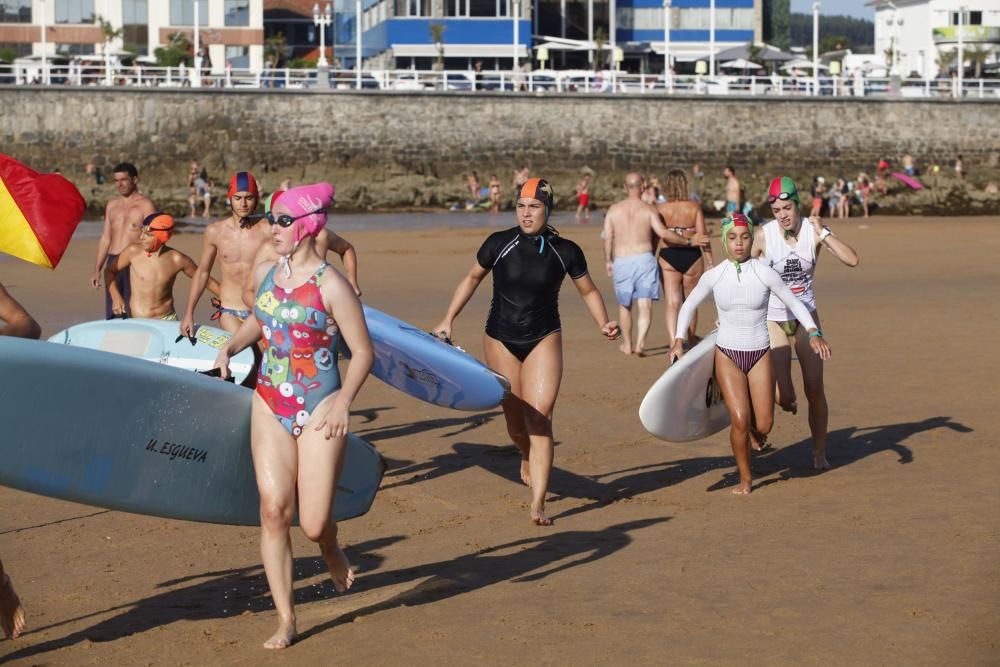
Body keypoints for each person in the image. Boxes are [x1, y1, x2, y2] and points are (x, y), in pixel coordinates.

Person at [213, 183, 372, 650]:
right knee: (273, 509)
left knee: (315, 523)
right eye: (270, 218)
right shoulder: (271, 273)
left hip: (321, 404)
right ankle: (287, 619)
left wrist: (343, 403)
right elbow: (263, 319)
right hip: (270, 401)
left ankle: (328, 546)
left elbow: (363, 352)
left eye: (281, 220)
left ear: (306, 226)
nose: (272, 227)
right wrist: (231, 345)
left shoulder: (331, 285)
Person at [434, 178, 620, 525]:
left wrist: (604, 322)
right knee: (516, 425)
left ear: (547, 209)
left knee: (539, 417)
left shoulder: (565, 251)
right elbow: (472, 278)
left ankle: (538, 504)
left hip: (543, 338)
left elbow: (589, 291)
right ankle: (524, 453)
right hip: (500, 338)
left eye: (533, 207)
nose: (526, 213)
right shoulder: (499, 243)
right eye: (521, 206)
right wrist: (447, 319)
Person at [671, 214, 831, 495]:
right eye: (732, 238)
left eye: (744, 237)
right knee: (741, 419)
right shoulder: (715, 275)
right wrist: (678, 339)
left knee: (764, 423)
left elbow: (795, 301)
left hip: (759, 354)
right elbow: (688, 305)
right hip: (728, 354)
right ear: (724, 241)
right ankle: (745, 478)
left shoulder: (764, 273)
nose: (739, 243)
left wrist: (813, 331)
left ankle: (755, 437)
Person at [753, 177, 859, 470]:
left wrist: (823, 232)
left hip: (806, 317)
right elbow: (743, 274)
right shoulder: (763, 236)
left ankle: (819, 453)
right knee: (785, 398)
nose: (783, 215)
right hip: (773, 318)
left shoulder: (813, 232)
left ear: (797, 204)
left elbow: (852, 260)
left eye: (787, 207)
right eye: (777, 210)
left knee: (814, 388)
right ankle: (771, 407)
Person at [604, 173, 699, 357]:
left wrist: (608, 260)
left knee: (625, 305)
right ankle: (640, 344)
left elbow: (608, 237)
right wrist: (687, 242)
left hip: (622, 260)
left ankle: (628, 344)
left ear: (625, 187)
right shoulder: (648, 210)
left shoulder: (614, 210)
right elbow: (663, 233)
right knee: (644, 304)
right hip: (644, 258)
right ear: (642, 188)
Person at [181, 172, 272, 335]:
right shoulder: (215, 231)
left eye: (248, 198)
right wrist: (189, 313)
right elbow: (202, 273)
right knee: (241, 355)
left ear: (256, 199)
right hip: (230, 310)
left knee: (261, 359)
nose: (243, 203)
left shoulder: (268, 229)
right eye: (237, 198)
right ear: (230, 198)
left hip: (261, 310)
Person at [242, 190, 362, 308]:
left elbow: (346, 249)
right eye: (272, 220)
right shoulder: (268, 249)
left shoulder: (321, 236)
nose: (276, 227)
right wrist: (266, 313)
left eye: (284, 220)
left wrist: (353, 284)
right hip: (284, 316)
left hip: (320, 309)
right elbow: (248, 292)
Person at [105, 212, 218, 320]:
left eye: (148, 234)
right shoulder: (133, 252)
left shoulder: (177, 259)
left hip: (167, 319)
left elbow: (206, 280)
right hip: (140, 320)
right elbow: (109, 271)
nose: (141, 237)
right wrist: (116, 297)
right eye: (141, 232)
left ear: (162, 236)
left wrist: (227, 298)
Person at [91, 162, 157, 319]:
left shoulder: (146, 205)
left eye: (123, 180)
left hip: (134, 262)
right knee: (113, 311)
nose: (119, 184)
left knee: (133, 310)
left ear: (134, 180)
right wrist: (97, 269)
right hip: (113, 262)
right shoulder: (112, 205)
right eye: (116, 180)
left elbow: (155, 237)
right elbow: (106, 238)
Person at [656, 169, 713, 344]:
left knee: (672, 303)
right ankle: (690, 338)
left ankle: (674, 342)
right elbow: (703, 237)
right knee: (691, 301)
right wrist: (710, 260)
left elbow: (657, 234)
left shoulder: (660, 209)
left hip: (668, 254)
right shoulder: (694, 207)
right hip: (692, 255)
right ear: (685, 185)